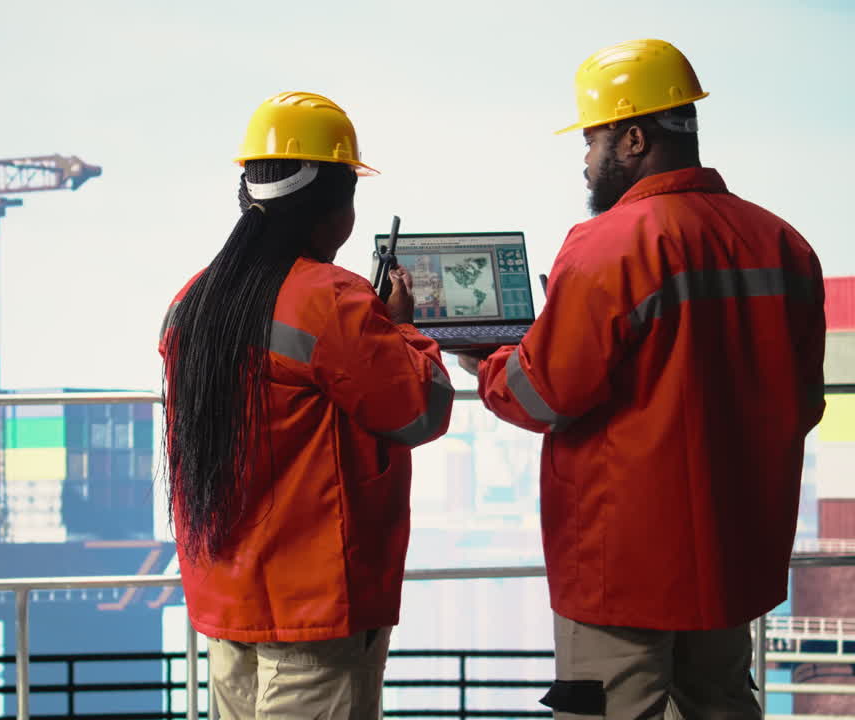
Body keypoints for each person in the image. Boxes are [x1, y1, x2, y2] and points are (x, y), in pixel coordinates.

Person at [455, 39, 827, 719]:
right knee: (721, 704)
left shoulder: (609, 245)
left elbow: (546, 394)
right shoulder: (784, 243)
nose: (585, 159)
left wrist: (492, 366)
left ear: (633, 138)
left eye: (591, 140)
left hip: (623, 566)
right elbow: (803, 404)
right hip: (732, 554)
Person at [158, 91, 454, 719]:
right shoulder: (332, 300)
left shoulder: (191, 301)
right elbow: (420, 411)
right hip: (314, 610)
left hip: (227, 603)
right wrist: (401, 330)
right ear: (338, 208)